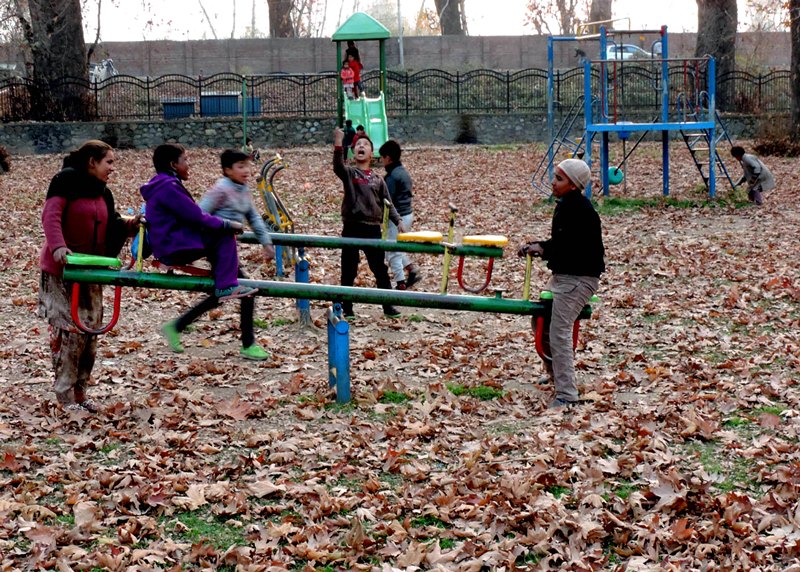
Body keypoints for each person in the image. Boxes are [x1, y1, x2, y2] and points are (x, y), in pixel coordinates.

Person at [39, 140, 141, 412]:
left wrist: (131, 225)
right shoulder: (65, 181)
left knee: (90, 333)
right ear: (92, 162)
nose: (112, 168)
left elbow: (112, 224)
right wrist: (58, 246)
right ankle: (65, 396)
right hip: (63, 271)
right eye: (109, 162)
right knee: (69, 332)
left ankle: (81, 392)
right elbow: (51, 216)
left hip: (91, 270)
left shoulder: (102, 192)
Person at [160, 149, 275, 359]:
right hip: (216, 246)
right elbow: (200, 214)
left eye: (247, 165)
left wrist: (266, 243)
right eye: (240, 166)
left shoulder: (243, 189)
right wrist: (220, 229)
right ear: (227, 170)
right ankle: (248, 345)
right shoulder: (221, 189)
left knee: (222, 294)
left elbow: (254, 217)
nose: (246, 170)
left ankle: (176, 326)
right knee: (244, 290)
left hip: (226, 249)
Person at [518, 158, 605, 410]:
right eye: (555, 177)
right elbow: (561, 243)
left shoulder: (578, 209)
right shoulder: (568, 205)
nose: (553, 183)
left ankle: (567, 393)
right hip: (565, 276)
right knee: (540, 321)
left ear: (574, 185)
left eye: (559, 179)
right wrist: (540, 245)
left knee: (559, 331)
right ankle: (554, 372)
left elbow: (570, 249)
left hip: (578, 278)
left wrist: (543, 249)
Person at [140, 143, 256, 307]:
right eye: (185, 160)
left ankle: (224, 283)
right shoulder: (168, 188)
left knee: (219, 232)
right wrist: (226, 224)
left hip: (169, 243)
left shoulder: (164, 185)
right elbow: (196, 216)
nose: (189, 165)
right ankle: (226, 286)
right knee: (224, 233)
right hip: (173, 246)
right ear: (173, 165)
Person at [333, 127, 406, 318]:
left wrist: (397, 220)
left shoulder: (377, 180)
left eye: (365, 144)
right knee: (348, 268)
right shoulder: (350, 173)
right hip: (351, 226)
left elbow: (387, 203)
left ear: (371, 153)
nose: (361, 146)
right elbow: (337, 167)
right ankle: (347, 307)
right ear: (354, 152)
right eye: (358, 144)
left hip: (372, 228)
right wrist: (338, 143)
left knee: (380, 269)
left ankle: (388, 305)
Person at [379, 139, 421, 290]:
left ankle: (400, 282)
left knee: (392, 251)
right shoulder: (403, 171)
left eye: (382, 158)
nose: (382, 161)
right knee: (395, 246)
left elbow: (387, 200)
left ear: (388, 158)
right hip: (407, 213)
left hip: (397, 217)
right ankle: (411, 268)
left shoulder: (392, 177)